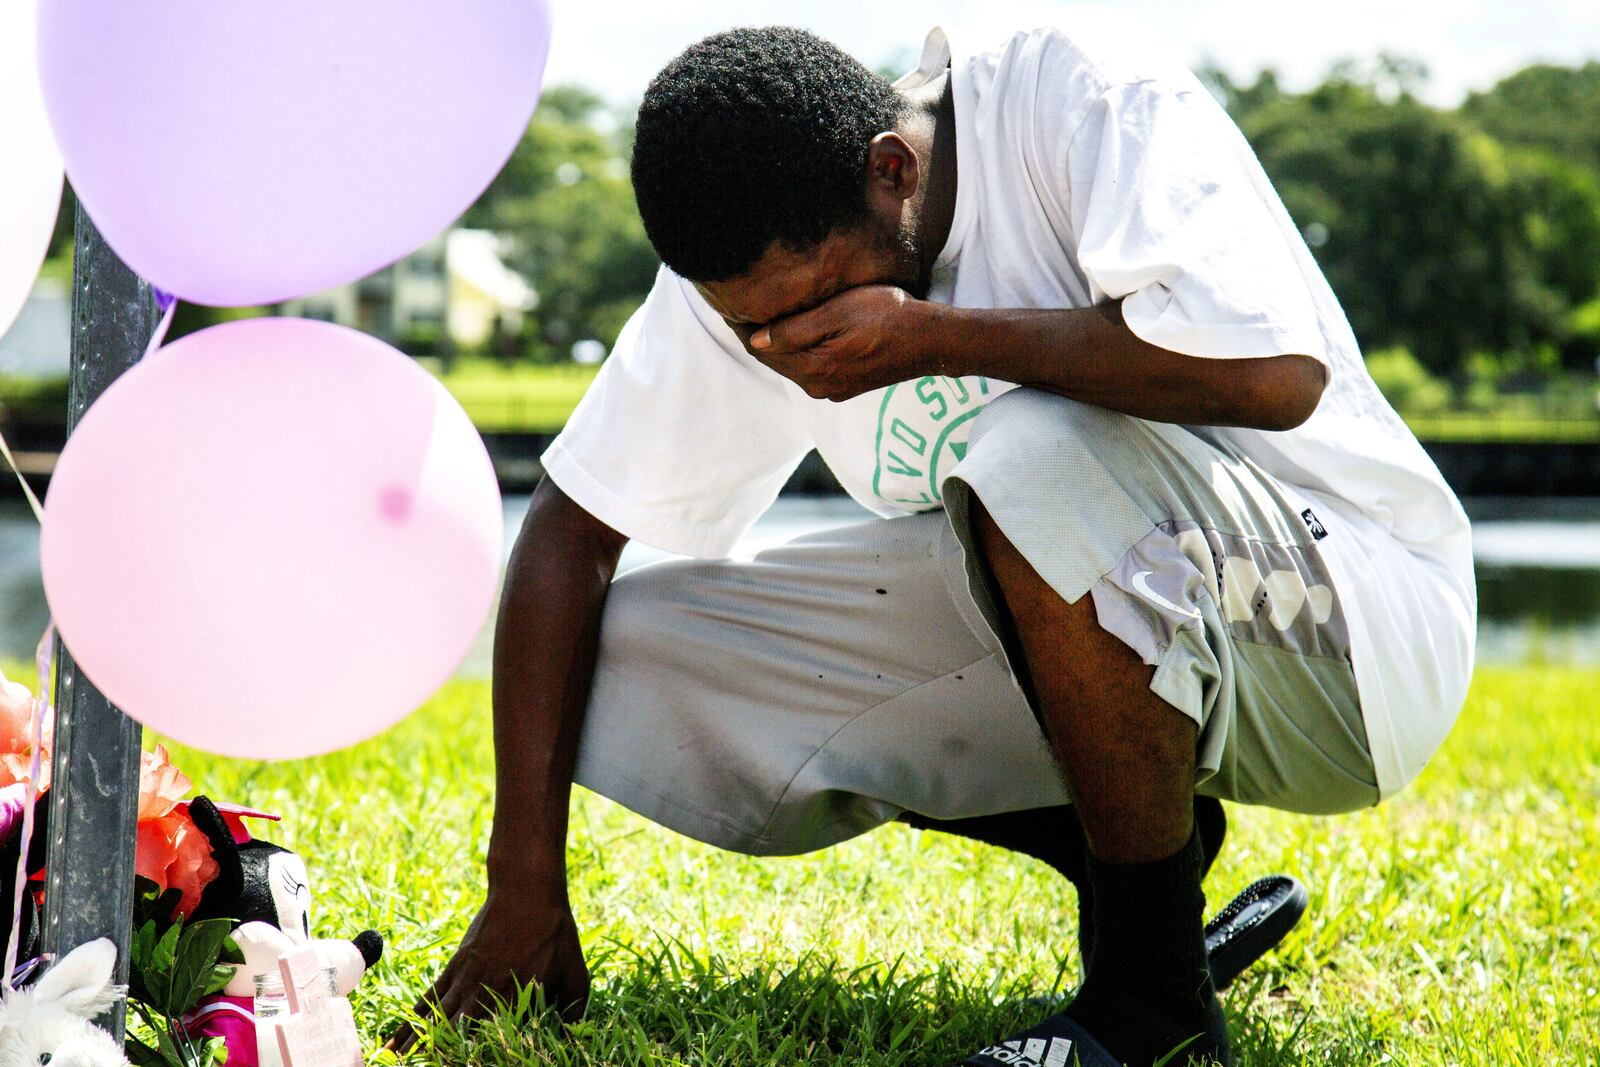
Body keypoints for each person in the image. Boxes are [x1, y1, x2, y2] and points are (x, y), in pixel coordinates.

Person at [383, 12, 1476, 1066]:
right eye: (752, 331)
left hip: (1352, 623)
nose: (782, 348)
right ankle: (1136, 848)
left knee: (1025, 451)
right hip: (1112, 616)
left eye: (809, 312)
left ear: (891, 172)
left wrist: (935, 338)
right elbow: (570, 530)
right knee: (621, 644)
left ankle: (1153, 1003)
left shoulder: (1072, 94)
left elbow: (1273, 378)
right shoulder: (748, 262)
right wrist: (523, 882)